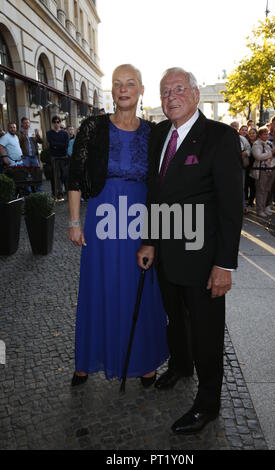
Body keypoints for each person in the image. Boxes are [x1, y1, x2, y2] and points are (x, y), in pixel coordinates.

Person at [137, 67, 243, 435]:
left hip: (203, 259)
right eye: (165, 91)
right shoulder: (159, 135)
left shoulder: (220, 137)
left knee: (207, 331)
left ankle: (208, 404)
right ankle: (181, 366)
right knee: (174, 318)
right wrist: (150, 240)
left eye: (179, 89)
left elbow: (232, 207)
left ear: (196, 95)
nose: (171, 97)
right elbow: (155, 193)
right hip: (166, 253)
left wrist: (224, 265)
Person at [68, 64, 168, 387]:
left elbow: (162, 183)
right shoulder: (93, 128)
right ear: (112, 91)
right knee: (100, 286)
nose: (122, 89)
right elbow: (75, 175)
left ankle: (144, 360)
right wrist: (73, 221)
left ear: (140, 90)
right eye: (116, 84)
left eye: (129, 83)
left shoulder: (154, 134)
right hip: (101, 219)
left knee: (141, 287)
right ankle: (87, 359)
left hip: (140, 222)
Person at [252, 127, 275, 218]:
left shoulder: (269, 143)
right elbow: (258, 156)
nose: (267, 136)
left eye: (267, 134)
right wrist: (271, 153)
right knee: (261, 190)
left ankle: (263, 208)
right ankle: (259, 210)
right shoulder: (256, 144)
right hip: (261, 170)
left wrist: (273, 153)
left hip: (271, 169)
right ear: (260, 135)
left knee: (267, 190)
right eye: (264, 134)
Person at [46, 115, 69, 201]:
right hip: (54, 157)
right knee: (57, 176)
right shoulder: (49, 133)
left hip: (64, 156)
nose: (56, 123)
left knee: (65, 175)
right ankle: (59, 194)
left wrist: (56, 145)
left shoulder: (65, 133)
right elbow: (51, 143)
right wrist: (58, 145)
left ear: (60, 122)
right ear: (52, 123)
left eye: (58, 122)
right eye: (55, 122)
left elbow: (66, 145)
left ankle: (68, 192)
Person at [19, 117, 43, 192]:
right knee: (27, 174)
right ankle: (29, 191)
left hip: (34, 156)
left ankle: (38, 190)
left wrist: (37, 135)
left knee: (37, 174)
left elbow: (41, 141)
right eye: (25, 123)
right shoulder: (19, 133)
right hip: (25, 157)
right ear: (22, 124)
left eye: (28, 123)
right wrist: (24, 135)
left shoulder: (32, 132)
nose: (27, 124)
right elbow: (18, 143)